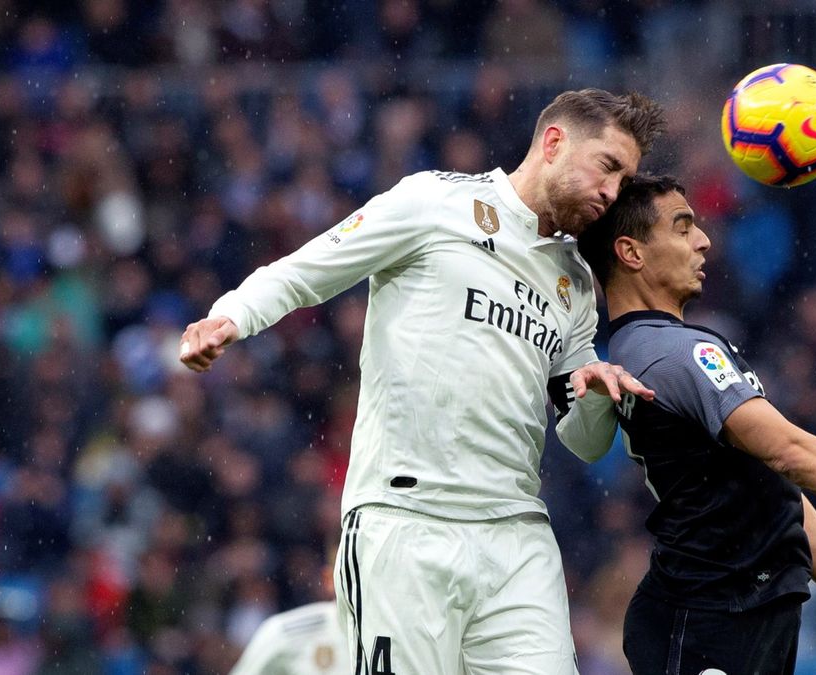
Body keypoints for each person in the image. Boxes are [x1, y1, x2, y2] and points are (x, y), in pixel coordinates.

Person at [179, 89, 666, 675]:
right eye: (608, 167)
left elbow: (585, 442)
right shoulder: (435, 201)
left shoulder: (576, 283)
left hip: (516, 535)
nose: (613, 193)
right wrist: (232, 315)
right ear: (554, 142)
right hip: (405, 521)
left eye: (624, 179)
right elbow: (310, 268)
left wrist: (594, 397)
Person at [565, 174, 816, 675]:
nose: (703, 240)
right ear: (631, 253)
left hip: (743, 614)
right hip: (708, 619)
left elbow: (778, 489)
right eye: (682, 227)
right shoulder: (675, 353)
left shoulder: (653, 348)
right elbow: (787, 451)